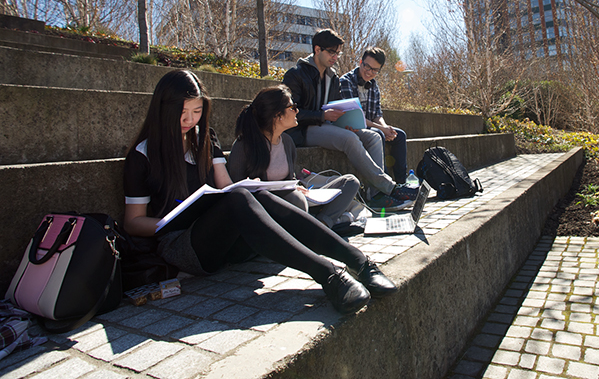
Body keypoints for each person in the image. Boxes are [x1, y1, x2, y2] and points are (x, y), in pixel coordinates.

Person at [122, 70, 396, 314]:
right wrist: (169, 220)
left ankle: (361, 263)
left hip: (227, 243)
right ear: (164, 109)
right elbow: (132, 222)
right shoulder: (142, 155)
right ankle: (330, 275)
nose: (190, 120)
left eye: (197, 112)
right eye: (183, 113)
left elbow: (227, 187)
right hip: (182, 246)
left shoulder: (205, 139)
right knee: (241, 197)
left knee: (253, 195)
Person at [282, 29, 417, 209]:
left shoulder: (333, 77)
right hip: (303, 129)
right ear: (317, 49)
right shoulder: (296, 74)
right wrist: (322, 116)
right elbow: (292, 112)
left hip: (327, 126)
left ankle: (375, 195)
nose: (335, 57)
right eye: (331, 52)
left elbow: (338, 107)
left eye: (338, 53)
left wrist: (347, 122)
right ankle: (389, 188)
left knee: (375, 137)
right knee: (350, 139)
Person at [227, 85, 366, 235]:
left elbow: (288, 178)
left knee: (350, 182)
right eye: (293, 107)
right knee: (297, 200)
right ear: (277, 115)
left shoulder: (287, 142)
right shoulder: (245, 145)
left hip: (291, 199)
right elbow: (235, 190)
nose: (297, 111)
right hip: (267, 207)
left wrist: (295, 186)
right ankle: (317, 228)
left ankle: (322, 225)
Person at [340, 47, 408, 184]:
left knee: (400, 135)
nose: (369, 72)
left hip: (371, 125)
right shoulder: (346, 81)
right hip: (352, 126)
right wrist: (382, 129)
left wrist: (385, 126)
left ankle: (402, 182)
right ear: (361, 62)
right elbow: (354, 116)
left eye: (375, 70)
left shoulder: (374, 86)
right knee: (379, 134)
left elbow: (377, 113)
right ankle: (387, 185)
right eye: (367, 66)